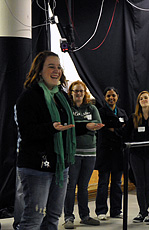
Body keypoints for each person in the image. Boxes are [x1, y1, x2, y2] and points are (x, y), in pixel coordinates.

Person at [15, 51, 76, 230]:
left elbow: (66, 126)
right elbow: (26, 132)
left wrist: (84, 127)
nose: (56, 70)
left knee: (53, 218)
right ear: (39, 70)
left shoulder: (61, 96)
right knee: (33, 219)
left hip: (60, 167)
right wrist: (52, 128)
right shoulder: (29, 96)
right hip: (36, 168)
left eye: (58, 67)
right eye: (51, 66)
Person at [63, 80, 104, 229]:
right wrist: (86, 126)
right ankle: (68, 217)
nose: (78, 94)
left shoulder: (92, 108)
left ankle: (85, 216)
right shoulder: (68, 108)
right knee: (70, 186)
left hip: (90, 153)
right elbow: (68, 127)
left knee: (84, 187)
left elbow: (97, 125)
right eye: (76, 91)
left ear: (84, 93)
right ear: (71, 93)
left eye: (81, 91)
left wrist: (81, 126)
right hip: (73, 153)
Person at [125, 91, 149, 225]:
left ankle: (144, 212)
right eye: (141, 98)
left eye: (145, 98)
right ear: (138, 102)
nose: (143, 100)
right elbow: (126, 134)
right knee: (140, 184)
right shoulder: (133, 117)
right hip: (136, 156)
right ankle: (144, 212)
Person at [95, 87, 128, 220]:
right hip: (105, 152)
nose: (111, 98)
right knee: (103, 183)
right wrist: (117, 130)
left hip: (118, 153)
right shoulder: (100, 112)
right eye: (108, 96)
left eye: (113, 95)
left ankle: (116, 210)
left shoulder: (122, 112)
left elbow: (126, 131)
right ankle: (101, 211)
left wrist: (114, 130)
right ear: (104, 98)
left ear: (117, 96)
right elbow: (102, 130)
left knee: (117, 183)